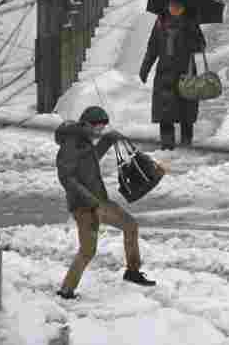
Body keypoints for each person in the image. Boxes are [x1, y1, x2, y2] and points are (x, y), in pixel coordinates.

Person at [55, 105, 155, 298]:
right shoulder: (71, 144)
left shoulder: (84, 140)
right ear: (86, 124)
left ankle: (132, 272)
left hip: (100, 201)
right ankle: (66, 290)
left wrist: (108, 140)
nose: (99, 131)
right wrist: (89, 200)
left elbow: (92, 159)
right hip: (84, 206)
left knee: (130, 225)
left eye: (102, 128)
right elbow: (66, 178)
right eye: (98, 128)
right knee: (87, 251)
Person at [139, 0, 206, 149]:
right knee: (165, 111)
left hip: (185, 74)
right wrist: (145, 68)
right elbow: (152, 47)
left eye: (178, 7)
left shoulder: (190, 23)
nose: (175, 9)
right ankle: (167, 145)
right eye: (172, 6)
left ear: (183, 9)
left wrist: (192, 30)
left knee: (186, 111)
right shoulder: (160, 23)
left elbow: (201, 46)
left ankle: (186, 142)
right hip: (165, 73)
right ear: (167, 7)